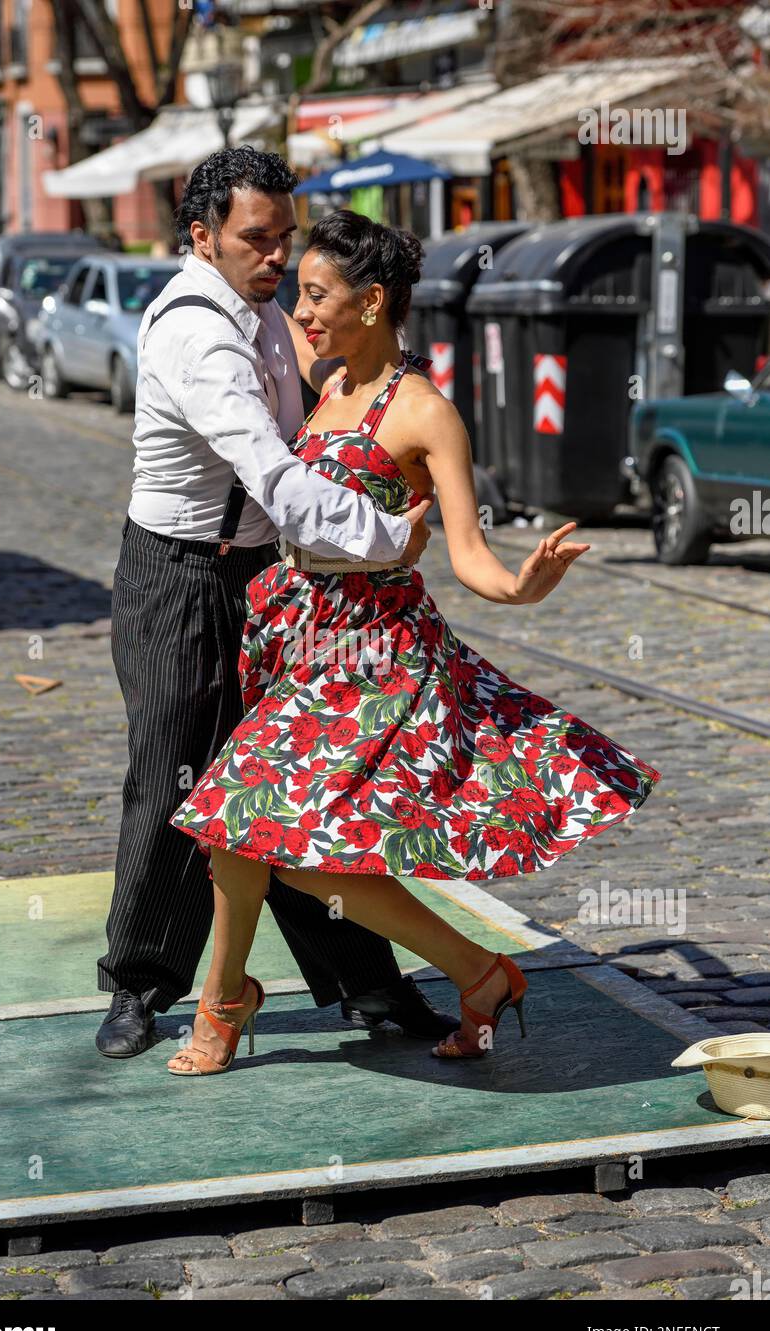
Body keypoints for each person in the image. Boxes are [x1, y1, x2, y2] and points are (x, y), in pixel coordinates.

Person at [167, 208, 662, 1077]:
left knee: (276, 842)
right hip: (303, 643)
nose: (304, 310)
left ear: (374, 302)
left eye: (320, 296)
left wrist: (522, 584)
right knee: (234, 831)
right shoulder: (327, 385)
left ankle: (233, 1000)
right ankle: (475, 976)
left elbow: (470, 555)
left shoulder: (426, 412)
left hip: (375, 658)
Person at [96, 149, 455, 1060]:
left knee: (290, 790)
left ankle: (370, 988)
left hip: (262, 583)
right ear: (202, 236)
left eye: (284, 238)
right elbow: (278, 478)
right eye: (257, 239)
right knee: (175, 775)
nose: (275, 256)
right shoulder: (197, 334)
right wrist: (388, 537)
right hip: (176, 578)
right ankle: (142, 984)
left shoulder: (262, 315)